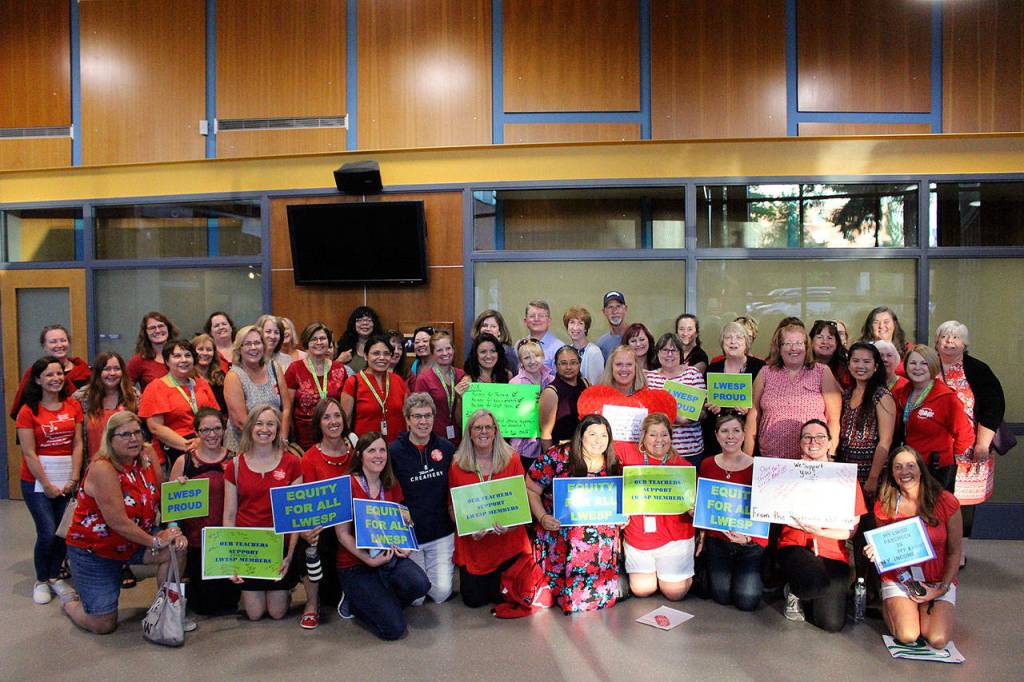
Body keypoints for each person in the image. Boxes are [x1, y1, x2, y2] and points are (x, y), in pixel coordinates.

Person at [62, 412, 187, 634]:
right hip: (95, 550)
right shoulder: (103, 468)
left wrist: (178, 491)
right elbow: (118, 522)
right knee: (103, 625)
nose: (134, 439)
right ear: (110, 439)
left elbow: (161, 494)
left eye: (137, 432)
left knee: (177, 547)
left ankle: (168, 609)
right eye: (125, 434)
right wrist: (155, 542)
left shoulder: (147, 453)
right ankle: (69, 602)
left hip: (136, 539)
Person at [334, 432, 431, 640]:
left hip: (389, 557)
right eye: (371, 451)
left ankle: (377, 601)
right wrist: (369, 560)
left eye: (382, 450)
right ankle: (357, 601)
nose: (378, 455)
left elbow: (404, 522)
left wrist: (406, 545)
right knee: (394, 630)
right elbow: (342, 535)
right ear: (359, 455)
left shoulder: (391, 483)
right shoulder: (346, 484)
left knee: (421, 584)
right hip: (356, 564)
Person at [865, 446, 963, 649]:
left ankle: (924, 607)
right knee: (908, 635)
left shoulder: (946, 501)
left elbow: (955, 552)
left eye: (911, 465)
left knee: (937, 639)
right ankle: (895, 605)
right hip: (900, 578)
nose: (905, 472)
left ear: (920, 469)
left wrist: (941, 588)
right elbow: (884, 547)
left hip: (937, 580)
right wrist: (877, 551)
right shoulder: (885, 504)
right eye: (898, 467)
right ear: (892, 473)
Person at [527, 414, 622, 614]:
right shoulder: (558, 456)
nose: (598, 440)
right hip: (563, 540)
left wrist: (623, 517)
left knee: (601, 603)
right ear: (580, 435)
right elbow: (531, 488)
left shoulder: (613, 462)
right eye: (592, 434)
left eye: (604, 435)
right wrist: (543, 517)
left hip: (600, 546)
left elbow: (619, 500)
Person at [778, 419, 867, 632]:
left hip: (831, 549)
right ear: (800, 443)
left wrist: (821, 531)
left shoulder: (844, 478)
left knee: (831, 623)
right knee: (814, 583)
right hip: (795, 544)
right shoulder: (787, 472)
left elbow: (851, 529)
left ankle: (807, 592)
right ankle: (796, 590)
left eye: (820, 437)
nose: (813, 441)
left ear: (829, 443)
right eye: (807, 437)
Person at [223, 405, 302, 621]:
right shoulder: (235, 466)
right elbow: (229, 515)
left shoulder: (292, 463)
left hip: (279, 546)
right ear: (250, 427)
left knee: (277, 613)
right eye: (259, 423)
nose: (264, 429)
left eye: (270, 424)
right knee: (255, 614)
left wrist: (290, 555)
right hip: (249, 547)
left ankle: (286, 590)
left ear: (278, 429)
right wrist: (232, 561)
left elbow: (296, 517)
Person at [16, 356, 84, 605]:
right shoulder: (27, 411)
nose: (55, 379)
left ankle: (56, 576)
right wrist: (46, 484)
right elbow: (29, 452)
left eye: (59, 374)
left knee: (63, 532)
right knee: (46, 531)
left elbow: (77, 443)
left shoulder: (72, 406)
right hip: (37, 482)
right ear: (37, 380)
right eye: (48, 375)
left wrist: (74, 477)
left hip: (67, 477)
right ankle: (41, 579)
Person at [448, 409, 531, 607]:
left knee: (503, 597)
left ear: (495, 431)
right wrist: (468, 529)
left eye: (488, 427)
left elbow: (522, 502)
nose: (483, 432)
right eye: (477, 428)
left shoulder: (512, 459)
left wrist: (511, 525)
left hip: (508, 543)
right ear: (469, 433)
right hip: (476, 546)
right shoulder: (457, 465)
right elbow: (452, 507)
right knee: (474, 601)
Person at [934, 320, 1005, 550]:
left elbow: (994, 405)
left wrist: (983, 444)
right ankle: (936, 545)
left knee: (963, 503)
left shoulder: (977, 369)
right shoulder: (927, 365)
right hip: (934, 448)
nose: (949, 342)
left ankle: (958, 548)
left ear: (965, 343)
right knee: (935, 497)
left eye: (955, 338)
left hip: (969, 450)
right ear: (936, 342)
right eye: (945, 337)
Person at [168, 408, 240, 616]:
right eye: (205, 430)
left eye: (217, 428)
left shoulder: (235, 460)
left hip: (225, 541)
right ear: (196, 432)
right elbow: (171, 508)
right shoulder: (185, 462)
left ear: (224, 429)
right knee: (203, 606)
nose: (212, 434)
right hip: (196, 542)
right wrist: (175, 531)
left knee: (229, 604)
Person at [620, 413, 696, 601]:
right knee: (642, 590)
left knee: (674, 593)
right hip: (640, 537)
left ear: (671, 437)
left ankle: (690, 573)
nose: (659, 440)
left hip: (673, 537)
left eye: (664, 434)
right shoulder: (628, 457)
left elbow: (695, 507)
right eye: (653, 434)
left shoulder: (683, 467)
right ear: (643, 436)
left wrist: (695, 512)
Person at [390, 393, 457, 604]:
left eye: (427, 416)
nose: (423, 421)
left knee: (441, 594)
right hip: (412, 536)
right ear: (407, 420)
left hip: (441, 533)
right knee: (416, 598)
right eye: (417, 416)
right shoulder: (394, 451)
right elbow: (391, 491)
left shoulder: (446, 448)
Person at [744, 319, 842, 459]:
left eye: (798, 343)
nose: (793, 348)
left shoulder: (822, 372)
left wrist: (829, 456)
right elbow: (753, 416)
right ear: (779, 348)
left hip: (811, 461)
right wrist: (747, 457)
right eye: (787, 344)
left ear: (806, 346)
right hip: (771, 459)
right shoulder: (765, 372)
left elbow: (833, 420)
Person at [698, 414, 766, 612]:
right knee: (721, 597)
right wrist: (702, 534)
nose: (730, 436)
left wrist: (748, 539)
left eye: (736, 430)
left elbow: (766, 513)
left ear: (744, 435)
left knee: (746, 602)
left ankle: (755, 571)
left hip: (749, 544)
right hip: (718, 541)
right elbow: (704, 504)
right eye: (724, 431)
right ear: (716, 436)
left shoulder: (759, 468)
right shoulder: (707, 464)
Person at [296, 398, 352, 629]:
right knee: (308, 543)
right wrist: (306, 532)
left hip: (353, 525)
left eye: (337, 416)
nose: (333, 421)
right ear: (318, 423)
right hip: (325, 530)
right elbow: (307, 504)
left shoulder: (355, 448)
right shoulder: (309, 458)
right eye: (326, 417)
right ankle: (312, 603)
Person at [892, 345, 975, 492]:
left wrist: (945, 456)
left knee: (935, 513)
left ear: (933, 366)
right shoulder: (902, 393)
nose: (918, 368)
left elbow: (965, 436)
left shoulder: (947, 398)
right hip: (908, 467)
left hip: (936, 469)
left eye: (924, 363)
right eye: (913, 363)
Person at [577, 346, 678, 461]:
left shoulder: (650, 400)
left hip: (641, 464)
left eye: (629, 364)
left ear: (636, 368)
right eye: (619, 364)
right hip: (607, 461)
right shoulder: (598, 399)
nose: (624, 369)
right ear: (611, 367)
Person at [138, 339, 219, 466]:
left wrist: (204, 442)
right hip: (174, 450)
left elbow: (215, 417)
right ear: (167, 361)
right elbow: (155, 428)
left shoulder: (201, 384)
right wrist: (190, 446)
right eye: (177, 356)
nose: (184, 360)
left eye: (188, 355)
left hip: (207, 446)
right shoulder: (156, 387)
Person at [838, 342, 896, 498]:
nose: (860, 366)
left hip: (870, 473)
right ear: (849, 365)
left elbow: (886, 441)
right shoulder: (847, 394)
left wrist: (873, 478)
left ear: (876, 366)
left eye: (866, 361)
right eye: (856, 361)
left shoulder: (881, 395)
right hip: (846, 473)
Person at [223, 325, 291, 452]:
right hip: (245, 447)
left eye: (257, 343)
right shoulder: (233, 376)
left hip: (275, 443)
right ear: (239, 349)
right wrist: (265, 444)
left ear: (264, 346)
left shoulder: (274, 367)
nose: (253, 348)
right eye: (247, 344)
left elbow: (286, 407)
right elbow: (240, 422)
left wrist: (282, 439)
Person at [703, 321, 766, 457]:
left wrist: (750, 409)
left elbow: (766, 403)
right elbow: (704, 404)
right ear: (722, 342)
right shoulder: (712, 369)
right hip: (716, 439)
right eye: (728, 337)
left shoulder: (760, 367)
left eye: (738, 337)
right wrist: (711, 407)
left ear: (746, 342)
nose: (733, 342)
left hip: (749, 436)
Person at [645, 333, 706, 464]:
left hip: (690, 450)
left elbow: (704, 412)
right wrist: (672, 418)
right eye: (665, 350)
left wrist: (687, 419)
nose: (669, 354)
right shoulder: (649, 378)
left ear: (681, 353)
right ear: (657, 353)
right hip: (658, 450)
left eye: (674, 350)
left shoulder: (693, 374)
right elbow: (646, 413)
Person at [285, 322, 347, 451]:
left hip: (334, 435)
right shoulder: (294, 369)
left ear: (329, 342)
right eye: (314, 339)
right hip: (304, 438)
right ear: (307, 342)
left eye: (322, 338)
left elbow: (345, 407)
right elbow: (287, 407)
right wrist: (287, 438)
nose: (319, 342)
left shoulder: (339, 369)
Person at [9, 324, 91, 420]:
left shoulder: (86, 372)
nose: (59, 345)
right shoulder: (35, 373)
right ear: (44, 346)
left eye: (63, 340)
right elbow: (21, 412)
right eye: (53, 342)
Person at [341, 334, 410, 443]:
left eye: (386, 354)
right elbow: (345, 422)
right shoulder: (353, 383)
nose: (382, 358)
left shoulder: (399, 381)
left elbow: (407, 417)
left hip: (397, 448)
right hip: (366, 449)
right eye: (376, 353)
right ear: (365, 356)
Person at [73, 352, 140, 461]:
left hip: (127, 463)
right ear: (98, 372)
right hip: (93, 465)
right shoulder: (81, 397)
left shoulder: (134, 396)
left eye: (117, 369)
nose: (112, 373)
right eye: (107, 369)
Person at [413, 330, 467, 443]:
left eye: (448, 348)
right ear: (432, 354)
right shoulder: (424, 379)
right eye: (439, 350)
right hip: (434, 439)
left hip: (461, 438)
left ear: (453, 349)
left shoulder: (461, 375)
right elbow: (418, 411)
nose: (445, 353)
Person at [509, 338, 554, 469]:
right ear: (521, 361)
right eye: (527, 358)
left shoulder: (552, 380)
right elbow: (510, 415)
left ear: (543, 357)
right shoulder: (515, 383)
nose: (533, 361)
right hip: (523, 446)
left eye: (537, 356)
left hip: (548, 442)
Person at [539, 345, 586, 451]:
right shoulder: (551, 392)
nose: (569, 367)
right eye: (564, 363)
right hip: (561, 453)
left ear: (579, 364)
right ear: (556, 366)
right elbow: (546, 434)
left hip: (584, 449)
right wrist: (551, 461)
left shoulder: (586, 384)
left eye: (573, 362)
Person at [127, 312, 177, 390]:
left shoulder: (181, 356)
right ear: (145, 332)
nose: (157, 331)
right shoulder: (139, 360)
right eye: (152, 328)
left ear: (168, 328)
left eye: (161, 326)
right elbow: (125, 386)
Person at [562, 306, 604, 385]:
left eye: (580, 323)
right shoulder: (567, 351)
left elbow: (596, 386)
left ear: (585, 328)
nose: (575, 327)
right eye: (572, 322)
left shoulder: (594, 352)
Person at [470, 310, 519, 374]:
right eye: (484, 325)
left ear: (499, 331)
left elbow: (514, 377)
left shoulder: (507, 352)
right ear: (479, 329)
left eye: (493, 326)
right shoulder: (475, 348)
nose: (488, 329)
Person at [338, 305, 382, 373]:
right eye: (360, 320)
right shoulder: (344, 344)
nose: (364, 323)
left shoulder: (381, 345)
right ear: (353, 324)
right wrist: (339, 361)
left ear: (374, 324)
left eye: (369, 320)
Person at [191, 332, 228, 412]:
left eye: (209, 350)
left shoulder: (220, 376)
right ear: (192, 352)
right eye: (200, 349)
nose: (205, 353)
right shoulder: (188, 377)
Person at [810, 319, 851, 389]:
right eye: (819, 337)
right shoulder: (802, 367)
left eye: (830, 338)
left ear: (836, 343)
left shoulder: (846, 370)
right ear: (811, 342)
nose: (825, 342)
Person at [522, 300, 563, 370]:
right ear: (525, 321)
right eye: (532, 316)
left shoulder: (559, 348)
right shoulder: (520, 345)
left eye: (541, 316)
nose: (536, 319)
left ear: (549, 321)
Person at [596, 291, 628, 361]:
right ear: (604, 312)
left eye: (618, 306)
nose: (615, 311)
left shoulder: (637, 337)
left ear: (625, 309)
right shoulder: (601, 343)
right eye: (610, 307)